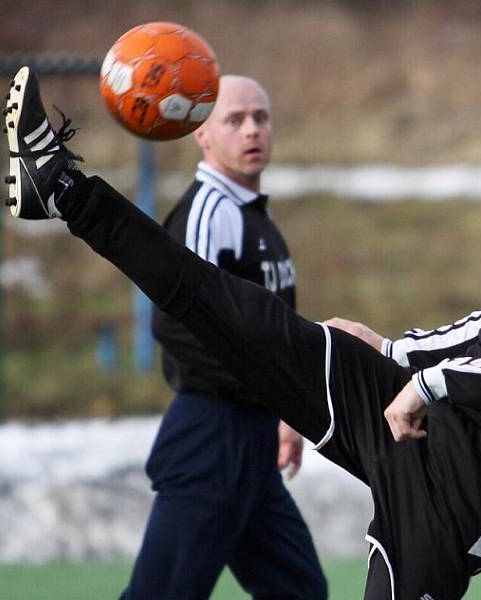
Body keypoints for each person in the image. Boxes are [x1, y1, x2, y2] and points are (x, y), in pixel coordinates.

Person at [3, 66, 481, 600]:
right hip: (419, 425)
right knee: (231, 309)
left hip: (466, 485)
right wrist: (389, 349)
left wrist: (427, 381)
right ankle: (63, 189)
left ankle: (62, 190)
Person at [115, 75, 326, 600]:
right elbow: (177, 323)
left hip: (251, 443)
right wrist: (267, 390)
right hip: (210, 439)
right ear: (201, 134)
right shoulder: (211, 211)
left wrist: (286, 409)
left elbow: (270, 334)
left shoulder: (254, 214)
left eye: (261, 117)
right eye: (234, 119)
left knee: (302, 592)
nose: (252, 129)